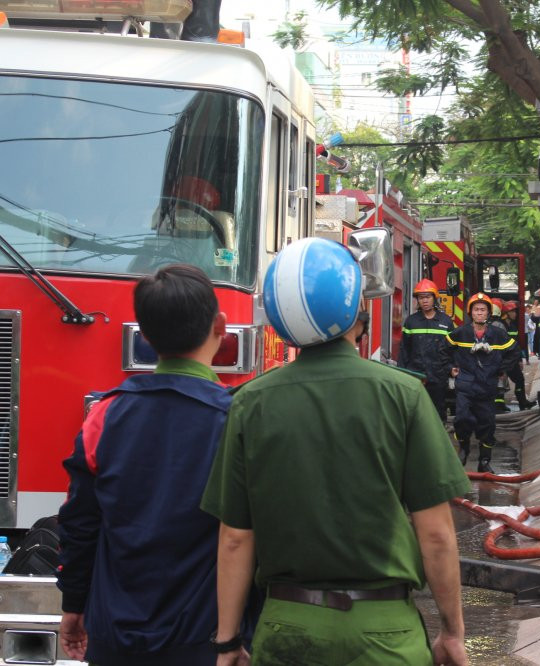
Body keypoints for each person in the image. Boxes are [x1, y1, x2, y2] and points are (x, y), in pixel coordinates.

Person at [202, 238, 470, 666]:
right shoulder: (403, 395)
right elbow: (436, 532)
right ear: (354, 313)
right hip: (386, 631)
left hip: (288, 626)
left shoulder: (250, 403)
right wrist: (452, 632)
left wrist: (228, 642)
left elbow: (235, 538)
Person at [57, 264, 232, 665]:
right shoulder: (235, 420)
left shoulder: (104, 415)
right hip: (204, 637)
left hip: (114, 635)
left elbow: (81, 523)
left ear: (146, 335)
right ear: (220, 325)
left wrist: (74, 603)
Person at [444, 292, 519, 473]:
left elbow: (514, 352)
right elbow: (443, 351)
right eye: (476, 310)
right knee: (462, 419)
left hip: (487, 386)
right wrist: (450, 367)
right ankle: (464, 448)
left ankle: (484, 461)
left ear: (488, 313)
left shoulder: (498, 335)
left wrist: (500, 368)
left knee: (487, 424)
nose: (479, 313)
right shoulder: (460, 333)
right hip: (466, 385)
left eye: (483, 310)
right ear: (471, 313)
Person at [398, 278, 455, 421]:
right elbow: (404, 349)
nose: (424, 301)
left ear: (435, 298)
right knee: (415, 411)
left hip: (438, 375)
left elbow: (452, 349)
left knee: (438, 411)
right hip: (415, 375)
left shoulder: (446, 321)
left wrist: (452, 368)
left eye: (428, 297)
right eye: (421, 297)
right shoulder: (411, 322)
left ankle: (438, 439)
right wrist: (402, 372)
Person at [495, 300, 536, 411]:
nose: (515, 314)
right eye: (512, 312)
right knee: (500, 382)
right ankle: (499, 405)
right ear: (506, 313)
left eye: (515, 312)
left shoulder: (513, 326)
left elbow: (515, 345)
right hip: (502, 359)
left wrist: (519, 360)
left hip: (512, 359)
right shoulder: (499, 325)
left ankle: (523, 402)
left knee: (519, 379)